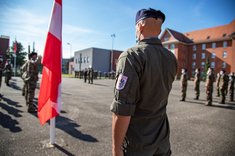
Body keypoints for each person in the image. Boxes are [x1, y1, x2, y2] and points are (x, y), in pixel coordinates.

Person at [110, 8, 177, 156]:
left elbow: (122, 110)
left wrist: (116, 149)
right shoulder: (171, 58)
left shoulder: (131, 56)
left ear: (140, 26)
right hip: (162, 141)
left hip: (138, 144)